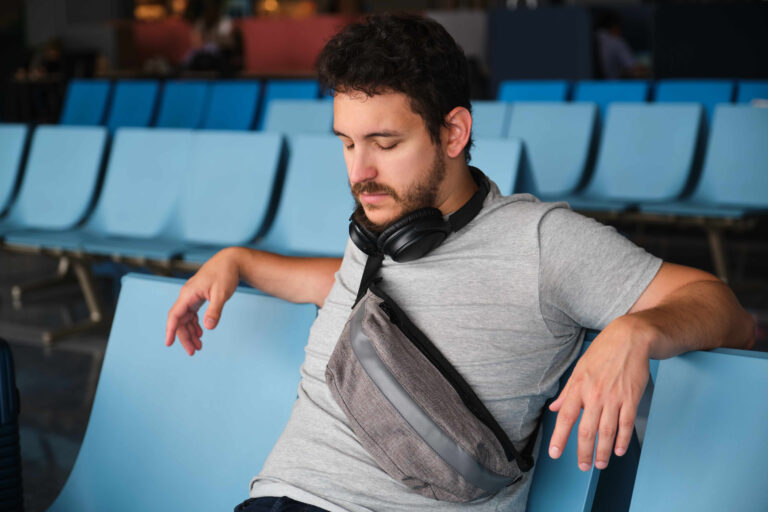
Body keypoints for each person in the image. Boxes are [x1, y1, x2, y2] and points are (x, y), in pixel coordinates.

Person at [165, 14, 754, 512]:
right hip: (276, 497)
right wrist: (239, 261)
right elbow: (343, 288)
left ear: (454, 132)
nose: (358, 171)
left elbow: (726, 309)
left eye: (385, 143)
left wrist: (638, 330)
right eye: (346, 142)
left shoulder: (543, 242)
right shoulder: (381, 227)